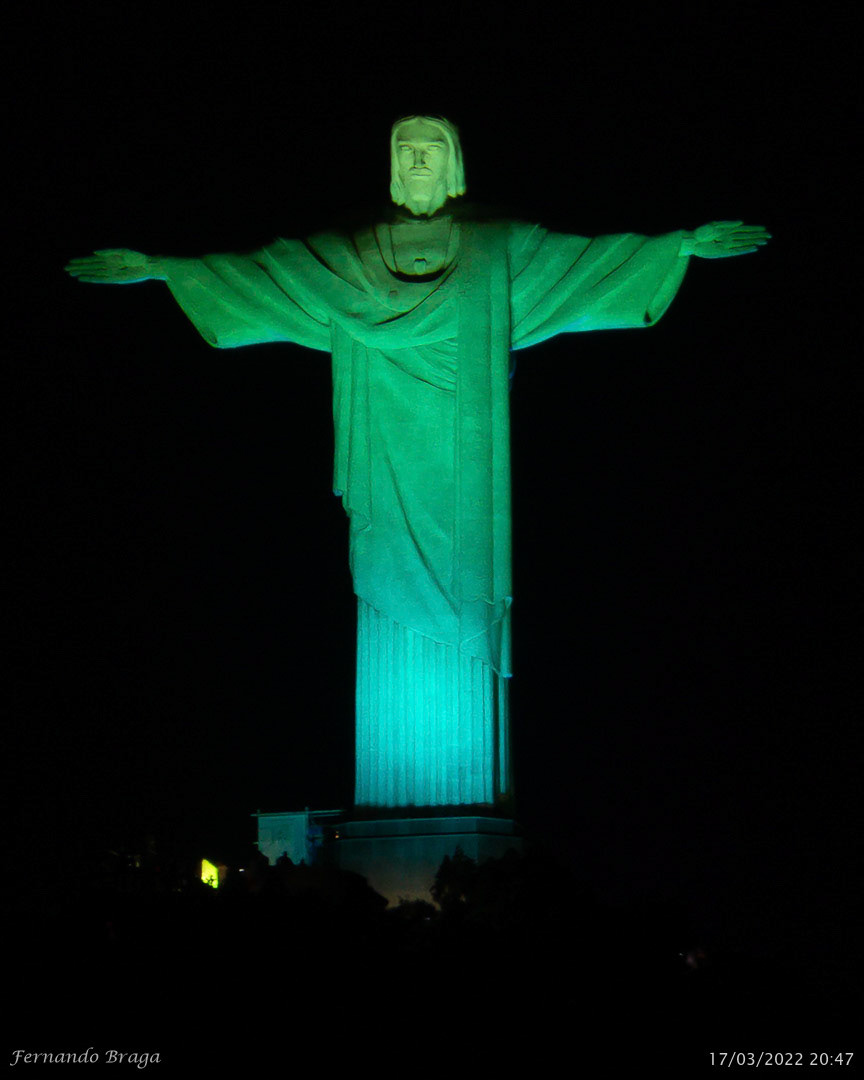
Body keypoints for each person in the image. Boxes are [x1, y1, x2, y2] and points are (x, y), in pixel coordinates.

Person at [65, 115, 770, 811]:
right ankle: (400, 810)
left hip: (467, 477)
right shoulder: (348, 258)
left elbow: (586, 266)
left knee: (465, 609)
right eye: (408, 149)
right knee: (388, 595)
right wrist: (164, 269)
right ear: (392, 163)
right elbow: (265, 276)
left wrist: (678, 248)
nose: (421, 159)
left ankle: (465, 811)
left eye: (434, 148)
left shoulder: (498, 252)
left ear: (456, 163)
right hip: (386, 463)